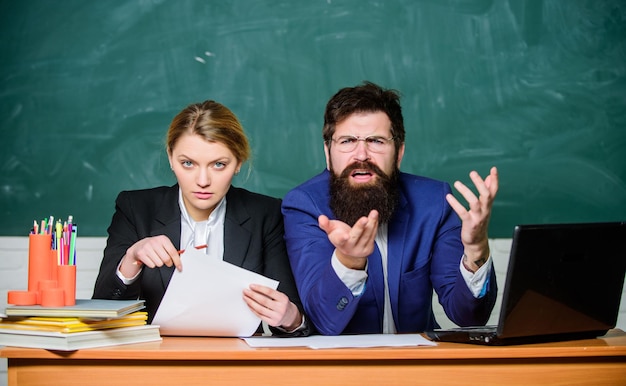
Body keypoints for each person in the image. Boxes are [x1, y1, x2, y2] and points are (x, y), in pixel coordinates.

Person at [281, 82, 498, 335]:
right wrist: (349, 261)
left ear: (399, 153)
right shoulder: (304, 205)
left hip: (416, 364)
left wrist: (476, 250)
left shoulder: (434, 201)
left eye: (376, 141)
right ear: (328, 153)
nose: (361, 155)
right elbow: (322, 321)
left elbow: (469, 316)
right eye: (347, 140)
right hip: (339, 366)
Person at [93, 100, 309, 336]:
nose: (203, 181)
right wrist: (132, 258)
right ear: (170, 158)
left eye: (218, 164)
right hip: (158, 359)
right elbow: (102, 309)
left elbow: (291, 314)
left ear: (238, 162)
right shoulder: (136, 208)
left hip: (238, 361)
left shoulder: (265, 214)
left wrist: (291, 318)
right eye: (188, 163)